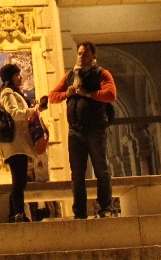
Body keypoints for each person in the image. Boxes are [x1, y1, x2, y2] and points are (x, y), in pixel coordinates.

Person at [49, 41, 118, 219]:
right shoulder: (70, 76)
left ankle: (106, 208)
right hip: (75, 131)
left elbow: (111, 94)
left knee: (101, 169)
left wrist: (87, 94)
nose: (81, 57)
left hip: (95, 129)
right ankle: (79, 212)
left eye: (85, 54)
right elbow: (52, 97)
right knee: (77, 174)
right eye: (79, 54)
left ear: (93, 57)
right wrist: (67, 94)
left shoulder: (101, 73)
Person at [0, 62, 46, 222]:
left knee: (20, 180)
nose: (20, 77)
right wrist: (33, 111)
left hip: (19, 143)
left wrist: (35, 108)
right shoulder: (7, 93)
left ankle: (14, 214)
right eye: (17, 75)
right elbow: (15, 113)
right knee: (19, 180)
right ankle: (18, 214)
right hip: (15, 143)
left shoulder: (14, 93)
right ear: (10, 77)